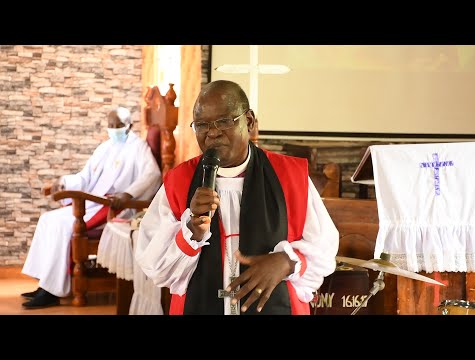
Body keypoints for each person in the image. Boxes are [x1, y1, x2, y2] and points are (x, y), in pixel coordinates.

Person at [135, 80, 339, 315]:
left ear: (249, 122)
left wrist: (287, 262)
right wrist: (190, 233)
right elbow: (155, 266)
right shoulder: (179, 182)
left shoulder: (291, 176)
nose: (212, 132)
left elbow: (324, 249)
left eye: (223, 121)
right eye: (202, 125)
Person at [21, 106, 162, 309]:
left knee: (62, 225)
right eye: (111, 125)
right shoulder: (105, 147)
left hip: (115, 206)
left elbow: (153, 175)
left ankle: (52, 292)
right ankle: (45, 283)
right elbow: (85, 176)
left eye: (119, 125)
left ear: (129, 125)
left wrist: (127, 194)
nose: (114, 129)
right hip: (95, 201)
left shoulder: (138, 147)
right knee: (48, 219)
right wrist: (64, 182)